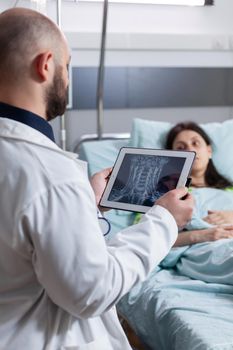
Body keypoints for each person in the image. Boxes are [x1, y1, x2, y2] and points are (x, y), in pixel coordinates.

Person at [0, 8, 194, 350]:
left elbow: (22, 241)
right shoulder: (50, 173)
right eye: (68, 66)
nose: (68, 79)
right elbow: (92, 292)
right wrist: (164, 220)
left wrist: (86, 205)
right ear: (45, 65)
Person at [165, 121, 233, 247]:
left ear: (209, 151)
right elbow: (150, 238)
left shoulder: (230, 190)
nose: (190, 150)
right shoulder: (164, 195)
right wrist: (200, 235)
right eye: (181, 148)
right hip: (206, 251)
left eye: (195, 143)